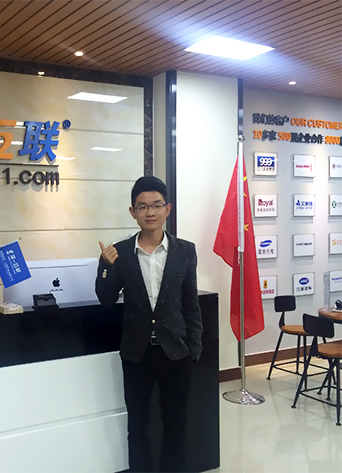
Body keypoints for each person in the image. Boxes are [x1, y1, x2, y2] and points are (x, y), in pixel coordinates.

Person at [96, 176, 202, 473]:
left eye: (156, 205)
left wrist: (194, 347)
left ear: (168, 208)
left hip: (176, 352)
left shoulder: (185, 250)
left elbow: (190, 301)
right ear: (133, 212)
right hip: (136, 352)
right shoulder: (120, 252)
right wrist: (105, 266)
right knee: (137, 427)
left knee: (175, 425)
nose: (150, 212)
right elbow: (105, 300)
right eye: (142, 206)